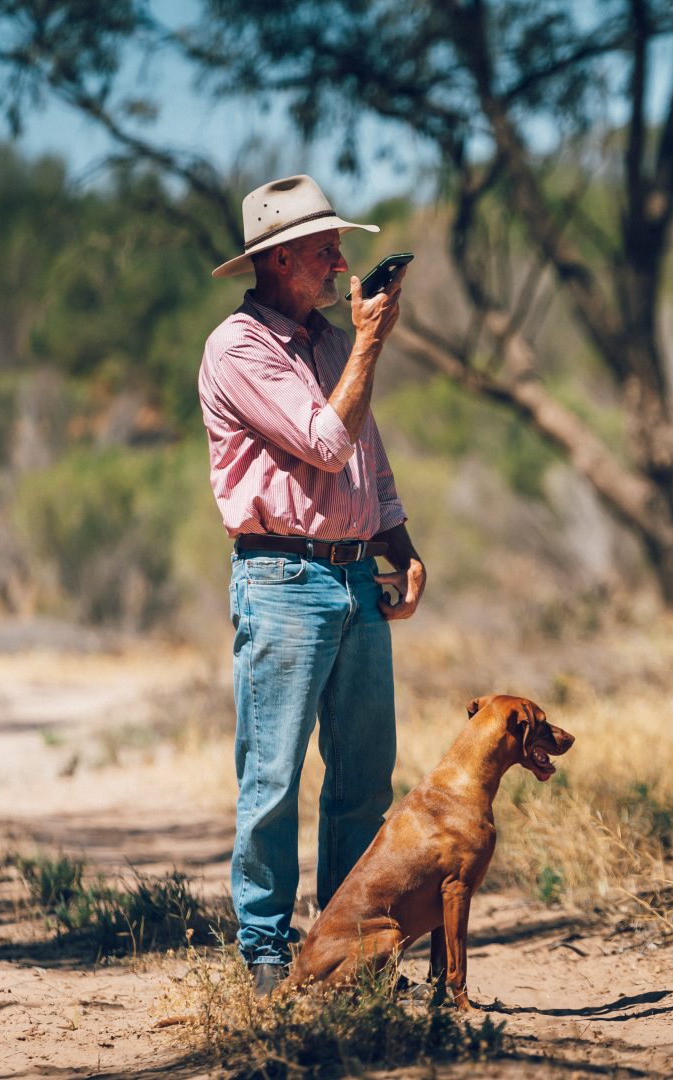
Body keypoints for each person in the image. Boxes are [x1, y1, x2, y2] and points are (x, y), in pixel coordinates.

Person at [197, 174, 426, 994]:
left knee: (364, 775)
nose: (341, 261)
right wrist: (369, 342)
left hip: (354, 573)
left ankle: (344, 943)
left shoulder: (329, 338)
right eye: (327, 249)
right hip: (283, 576)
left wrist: (395, 535)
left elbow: (367, 447)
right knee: (273, 777)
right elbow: (327, 443)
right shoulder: (239, 348)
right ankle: (265, 948)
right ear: (282, 258)